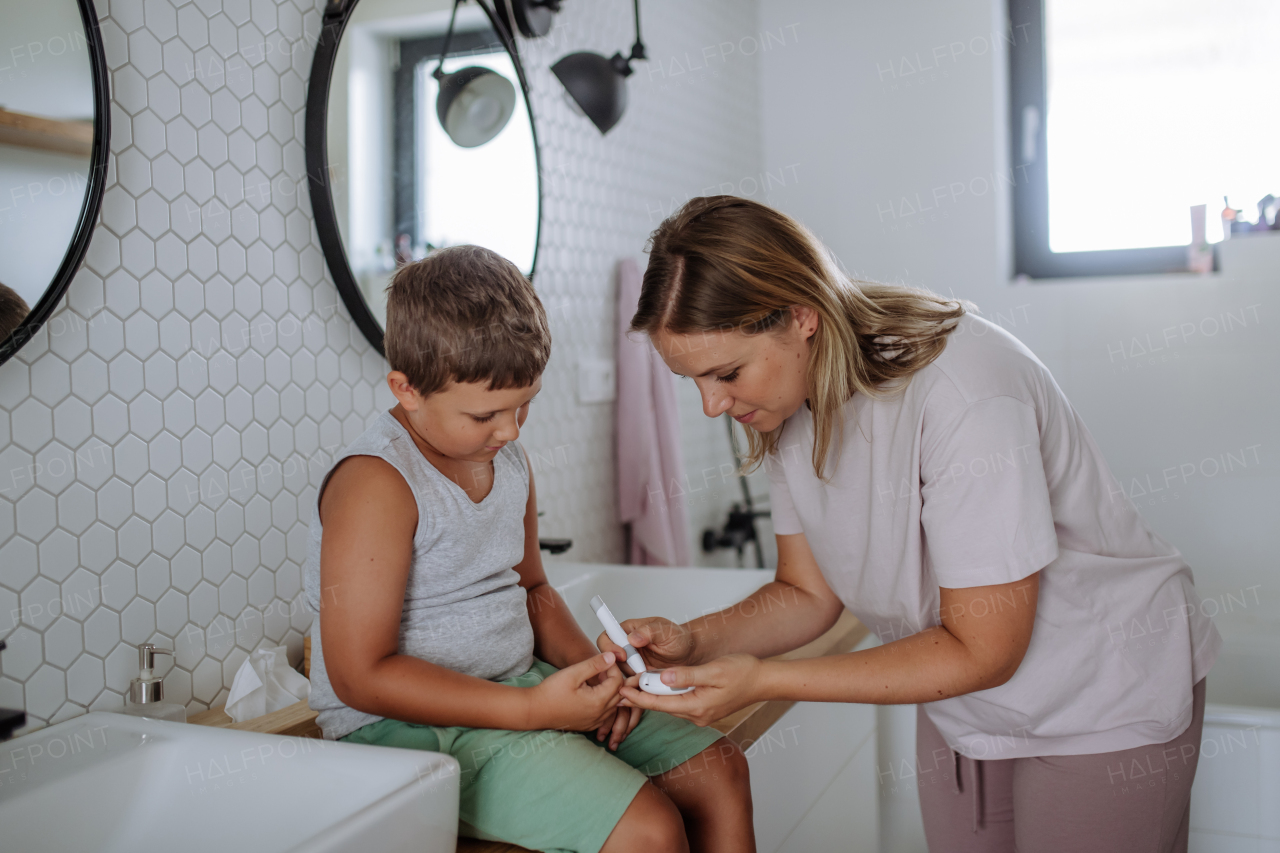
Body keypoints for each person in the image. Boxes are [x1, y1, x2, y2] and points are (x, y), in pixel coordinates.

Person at [603, 197, 1220, 853]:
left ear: (802, 315)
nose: (711, 405)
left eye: (726, 373)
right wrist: (690, 641)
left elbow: (985, 648)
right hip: (967, 705)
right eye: (692, 380)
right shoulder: (790, 405)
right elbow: (807, 594)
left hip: (1100, 698)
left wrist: (764, 677)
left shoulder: (963, 394)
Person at [303, 245, 754, 853]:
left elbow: (534, 588)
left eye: (525, 405)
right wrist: (535, 712)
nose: (512, 431)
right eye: (487, 413)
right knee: (649, 832)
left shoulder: (502, 454)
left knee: (720, 771)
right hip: (409, 730)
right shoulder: (377, 483)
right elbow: (361, 677)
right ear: (406, 389)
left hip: (517, 688)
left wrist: (598, 678)